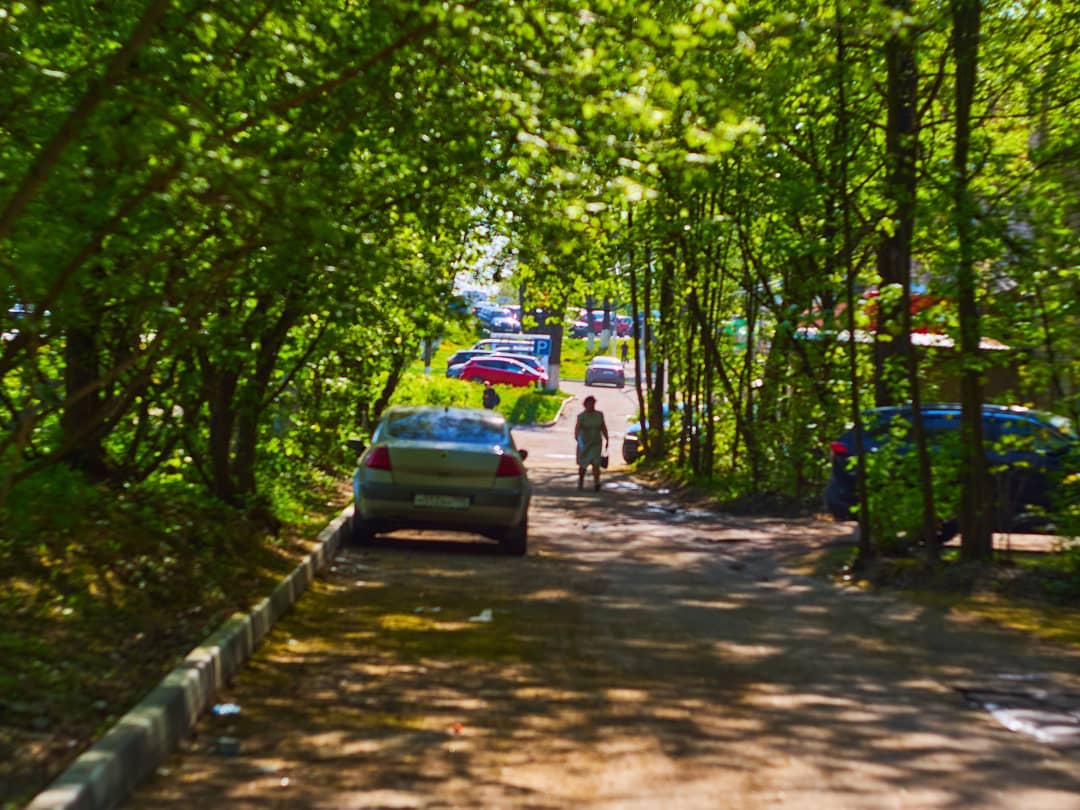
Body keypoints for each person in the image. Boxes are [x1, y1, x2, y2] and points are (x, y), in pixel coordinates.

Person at [575, 395, 609, 491]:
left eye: (593, 403)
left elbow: (603, 427)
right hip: (585, 444)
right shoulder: (581, 416)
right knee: (583, 464)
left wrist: (607, 439)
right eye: (589, 404)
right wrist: (578, 440)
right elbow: (577, 430)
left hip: (596, 443)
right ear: (585, 405)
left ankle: (597, 483)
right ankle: (581, 481)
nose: (591, 406)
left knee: (596, 463)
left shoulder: (599, 415)